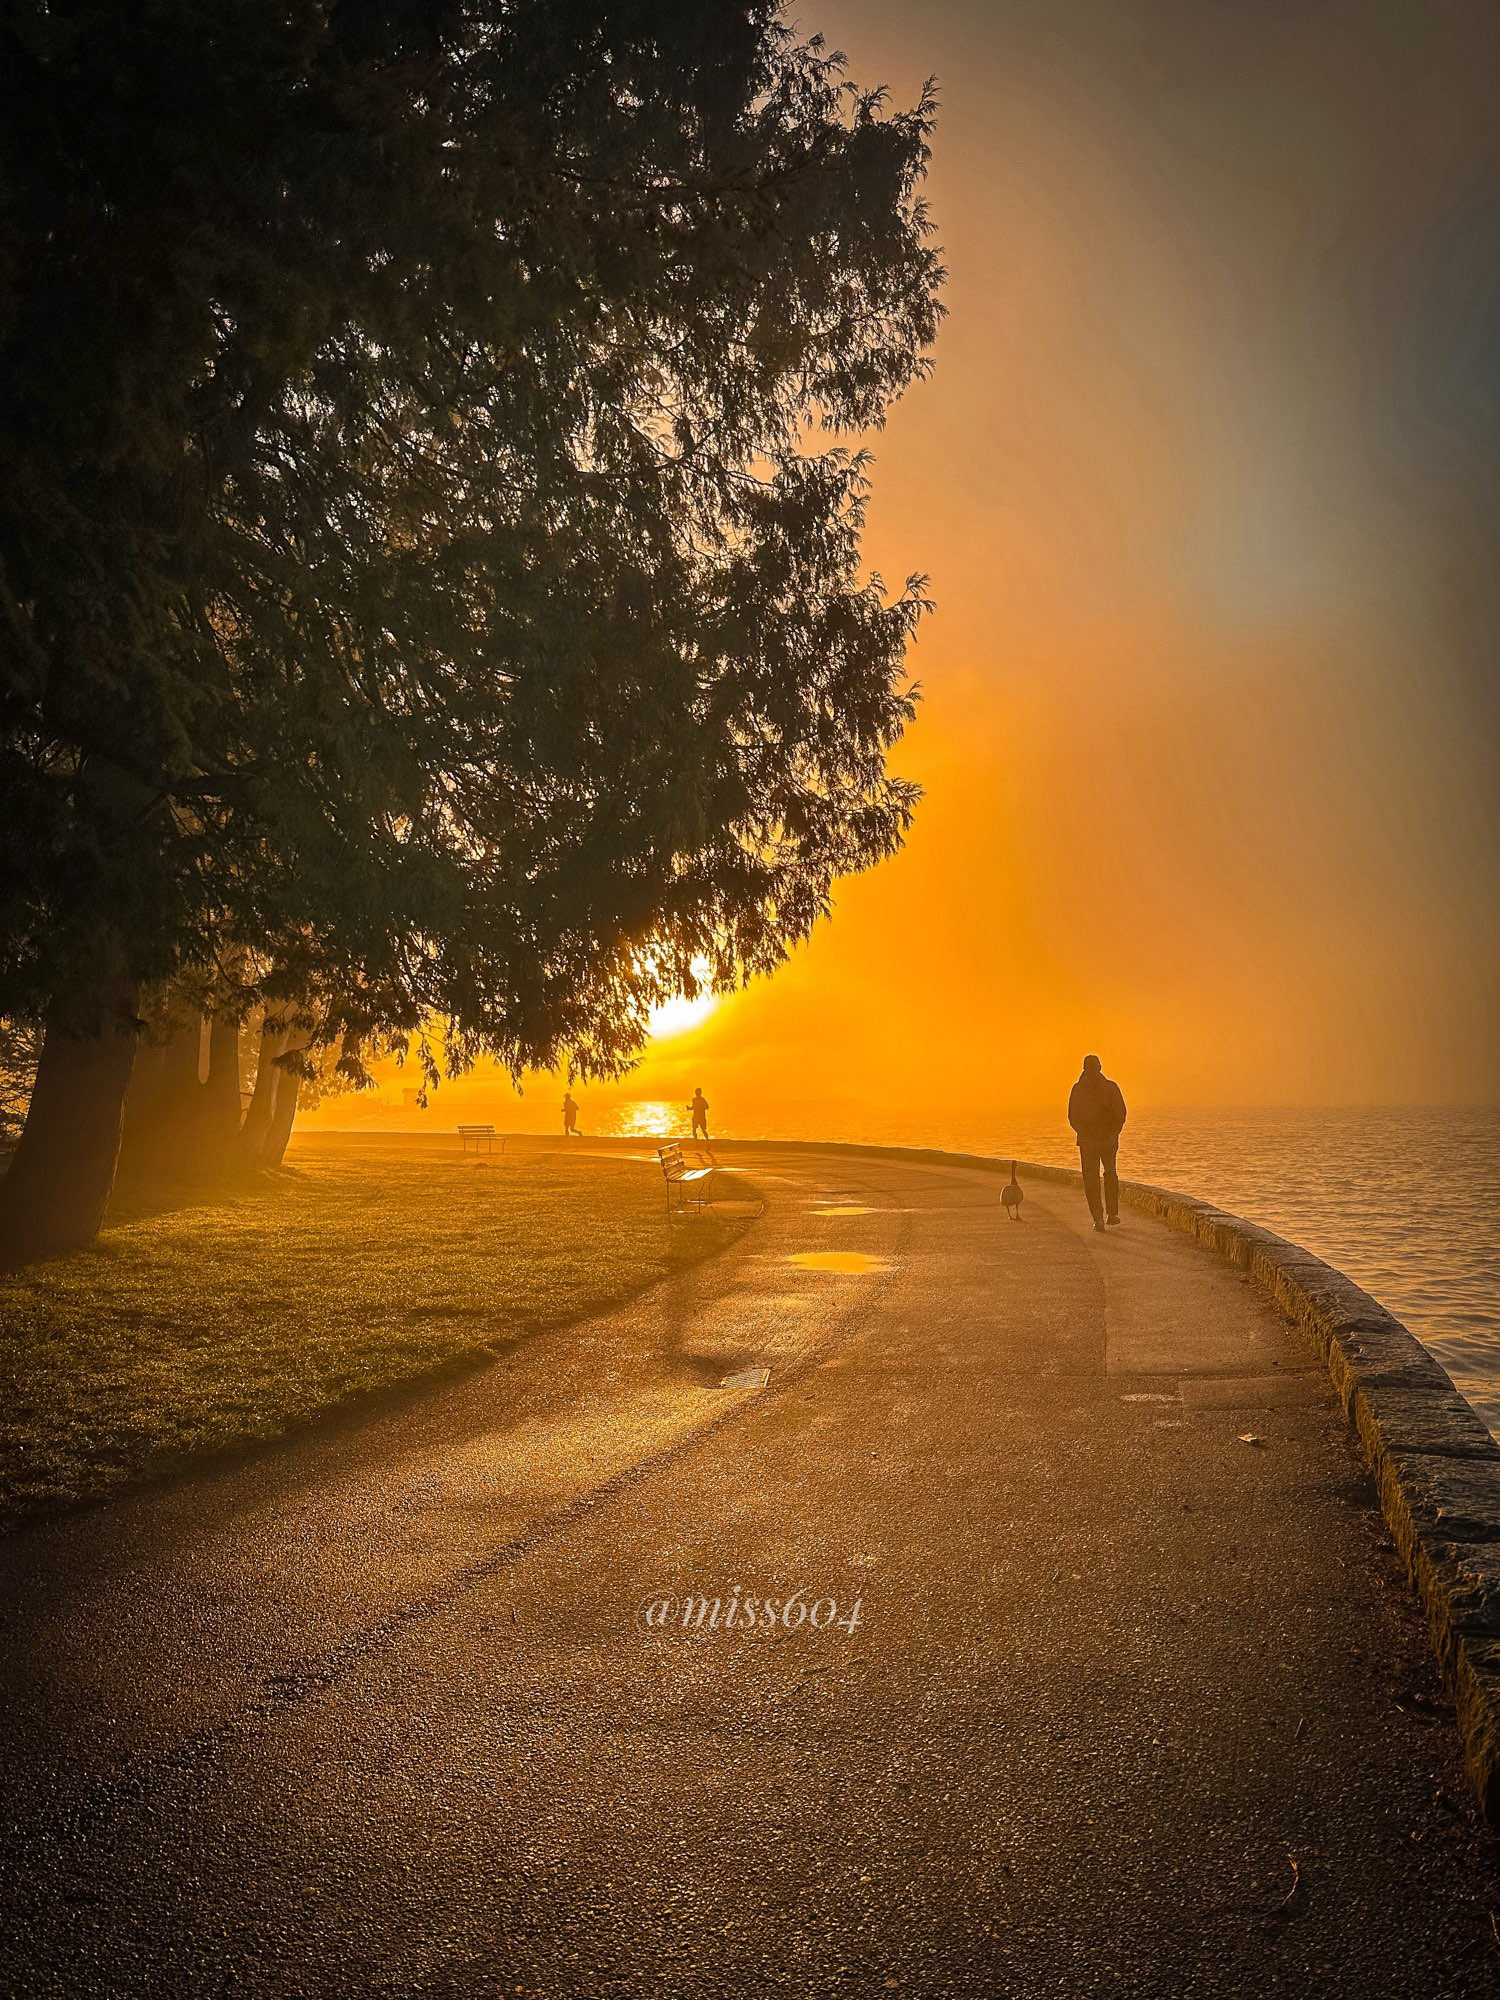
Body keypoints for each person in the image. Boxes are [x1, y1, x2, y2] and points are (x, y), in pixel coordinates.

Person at [1067, 1054, 1127, 1233]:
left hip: (1089, 1141)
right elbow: (1121, 1114)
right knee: (1110, 1174)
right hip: (1108, 1140)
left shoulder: (1078, 1090)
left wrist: (1083, 1132)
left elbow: (1072, 1116)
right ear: (1100, 1067)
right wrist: (1113, 1133)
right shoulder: (1110, 1087)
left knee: (1091, 1178)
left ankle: (1098, 1218)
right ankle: (1112, 1214)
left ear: (1084, 1068)